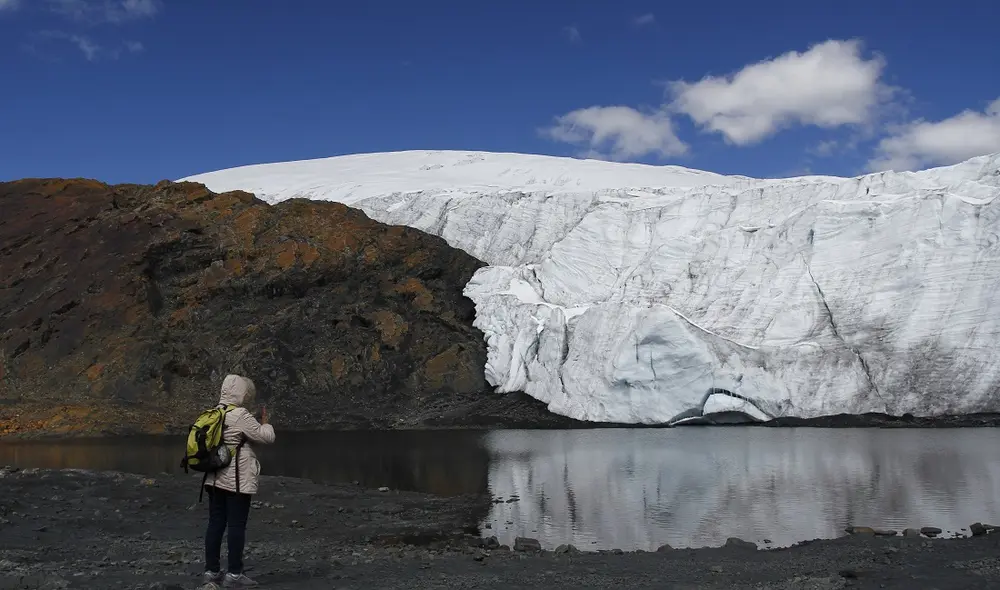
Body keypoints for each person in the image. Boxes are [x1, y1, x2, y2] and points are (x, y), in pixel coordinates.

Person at [202, 374, 276, 588]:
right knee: (236, 525)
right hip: (236, 479)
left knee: (215, 523)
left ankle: (211, 571)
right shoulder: (240, 414)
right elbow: (266, 437)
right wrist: (266, 422)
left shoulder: (214, 413)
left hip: (214, 478)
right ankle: (234, 574)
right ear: (241, 393)